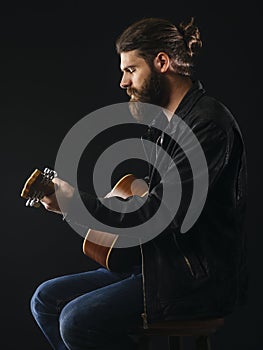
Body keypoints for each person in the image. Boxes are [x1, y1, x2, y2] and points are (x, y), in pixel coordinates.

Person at [30, 16, 248, 350]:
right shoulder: (166, 126)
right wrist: (70, 208)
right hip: (158, 265)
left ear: (162, 62)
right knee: (45, 299)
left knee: (76, 320)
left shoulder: (208, 126)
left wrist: (77, 202)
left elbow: (162, 215)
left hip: (195, 279)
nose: (122, 82)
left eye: (131, 70)